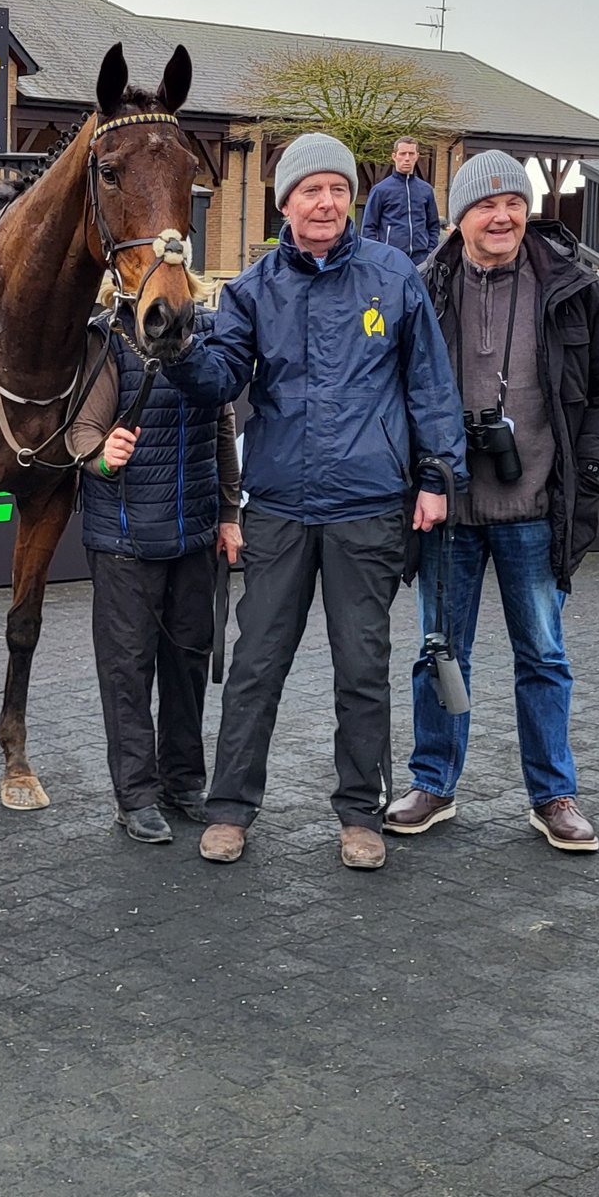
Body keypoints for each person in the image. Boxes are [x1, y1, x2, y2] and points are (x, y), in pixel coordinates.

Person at [166, 131, 465, 872]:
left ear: (350, 199)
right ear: (285, 204)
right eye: (310, 191)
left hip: (368, 506)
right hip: (279, 508)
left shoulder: (393, 276)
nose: (326, 202)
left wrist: (436, 477)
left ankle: (360, 813)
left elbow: (431, 384)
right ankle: (231, 809)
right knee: (257, 665)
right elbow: (220, 379)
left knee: (362, 667)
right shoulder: (256, 286)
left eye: (336, 189)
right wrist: (176, 348)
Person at [385, 152, 599, 854]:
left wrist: (590, 467)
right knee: (440, 654)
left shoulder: (573, 286)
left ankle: (553, 794)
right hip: (449, 508)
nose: (501, 217)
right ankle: (433, 783)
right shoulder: (420, 286)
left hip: (535, 507)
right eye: (485, 205)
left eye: (513, 204)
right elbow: (390, 387)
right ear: (459, 215)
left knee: (545, 656)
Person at [67, 292, 244, 843]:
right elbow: (81, 431)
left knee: (188, 665)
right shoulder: (106, 339)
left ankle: (183, 782)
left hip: (193, 535)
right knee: (128, 673)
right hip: (123, 541)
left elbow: (222, 428)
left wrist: (230, 513)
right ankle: (136, 796)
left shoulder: (207, 334)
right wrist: (101, 454)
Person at [361, 137, 442, 266]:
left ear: (417, 156)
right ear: (394, 156)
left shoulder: (426, 190)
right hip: (390, 259)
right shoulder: (381, 190)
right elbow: (368, 227)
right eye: (403, 153)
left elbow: (433, 225)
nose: (407, 158)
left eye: (411, 154)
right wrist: (378, 255)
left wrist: (430, 252)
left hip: (421, 260)